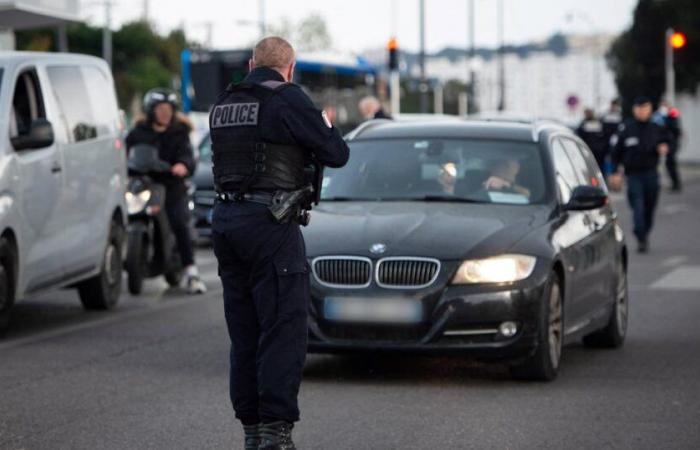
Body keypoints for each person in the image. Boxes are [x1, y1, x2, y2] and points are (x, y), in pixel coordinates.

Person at [209, 37, 349, 450]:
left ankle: (252, 431)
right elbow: (336, 153)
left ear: (253, 63)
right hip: (269, 225)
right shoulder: (288, 99)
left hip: (226, 223)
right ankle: (274, 433)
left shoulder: (224, 103)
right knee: (283, 330)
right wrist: (323, 123)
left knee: (245, 332)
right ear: (290, 67)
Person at [125, 88, 207, 295]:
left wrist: (182, 165)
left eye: (168, 109)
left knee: (180, 222)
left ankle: (191, 272)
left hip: (172, 185)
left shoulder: (179, 132)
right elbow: (125, 154)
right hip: (144, 184)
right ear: (151, 110)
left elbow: (188, 156)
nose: (165, 113)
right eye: (160, 109)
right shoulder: (138, 132)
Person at [609, 96, 670, 253]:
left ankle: (644, 232)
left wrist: (665, 147)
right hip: (633, 175)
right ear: (634, 109)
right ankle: (640, 234)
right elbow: (615, 153)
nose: (642, 111)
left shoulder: (657, 128)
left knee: (650, 207)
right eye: (639, 108)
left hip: (651, 174)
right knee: (638, 206)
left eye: (645, 108)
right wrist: (615, 172)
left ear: (650, 109)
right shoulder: (626, 129)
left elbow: (669, 141)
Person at [653, 101, 683, 191]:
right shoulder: (657, 116)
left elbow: (676, 130)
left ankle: (676, 183)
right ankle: (655, 183)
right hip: (659, 142)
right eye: (662, 105)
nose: (663, 108)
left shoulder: (672, 115)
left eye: (664, 105)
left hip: (671, 142)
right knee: (654, 163)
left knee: (670, 163)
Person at [577, 108, 607, 172]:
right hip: (589, 151)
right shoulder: (584, 124)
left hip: (597, 153)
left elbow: (604, 137)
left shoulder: (599, 123)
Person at [601, 99, 623, 175]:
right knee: (607, 159)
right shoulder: (606, 115)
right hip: (606, 141)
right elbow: (602, 128)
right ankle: (608, 174)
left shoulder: (620, 116)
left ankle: (614, 174)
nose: (615, 107)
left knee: (615, 159)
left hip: (616, 141)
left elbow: (621, 129)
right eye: (614, 105)